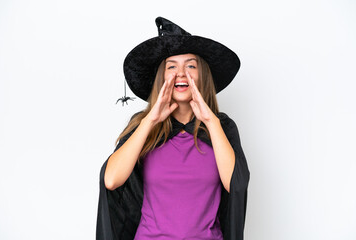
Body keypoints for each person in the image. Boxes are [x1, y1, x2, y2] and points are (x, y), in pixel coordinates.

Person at [96, 17, 250, 240]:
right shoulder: (144, 126)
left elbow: (235, 185)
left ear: (202, 76)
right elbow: (111, 180)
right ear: (162, 77)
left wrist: (210, 120)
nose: (181, 73)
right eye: (171, 66)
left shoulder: (221, 127)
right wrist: (150, 121)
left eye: (190, 66)